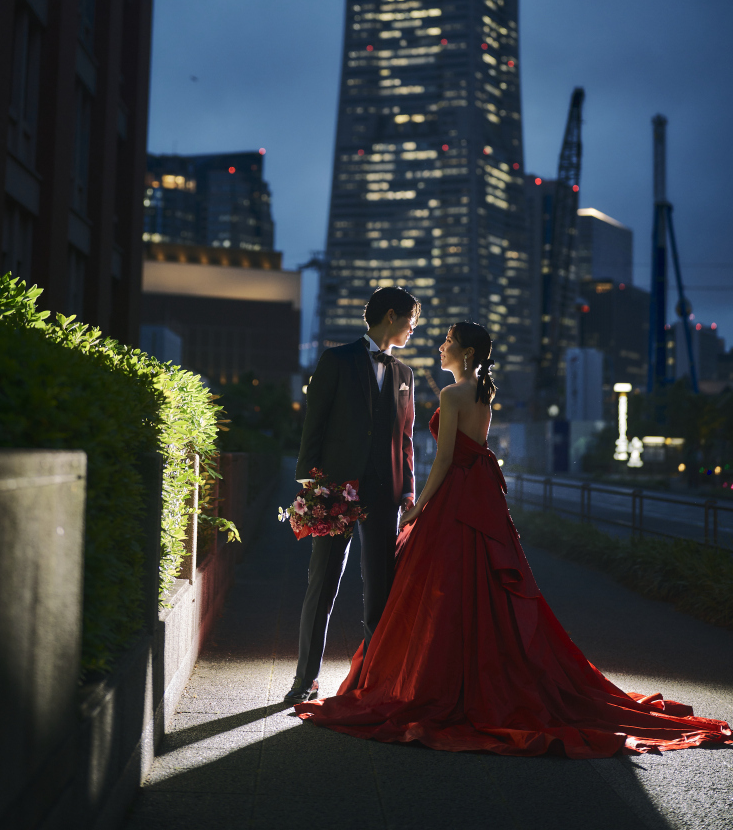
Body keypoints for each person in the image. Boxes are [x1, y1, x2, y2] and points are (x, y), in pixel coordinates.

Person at [295, 321, 732, 757]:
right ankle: (478, 674)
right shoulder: (484, 393)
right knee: (483, 586)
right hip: (482, 498)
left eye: (448, 342)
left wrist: (415, 508)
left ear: (466, 354)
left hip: (453, 499)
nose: (440, 347)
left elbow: (444, 460)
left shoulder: (453, 394)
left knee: (440, 590)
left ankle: (436, 677)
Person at [283, 287, 419, 704]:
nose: (414, 329)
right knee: (323, 582)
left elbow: (406, 439)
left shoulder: (404, 374)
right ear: (392, 316)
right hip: (337, 488)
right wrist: (311, 484)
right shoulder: (336, 359)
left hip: (385, 492)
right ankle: (305, 680)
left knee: (380, 588)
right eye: (412, 320)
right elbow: (314, 426)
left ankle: (373, 682)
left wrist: (410, 490)